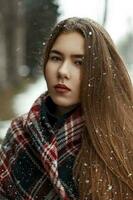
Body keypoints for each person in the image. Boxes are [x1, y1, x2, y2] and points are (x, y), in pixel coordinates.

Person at [0, 17, 133, 200]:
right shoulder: (20, 134)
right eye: (56, 58)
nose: (62, 71)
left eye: (79, 62)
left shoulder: (123, 137)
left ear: (100, 71)